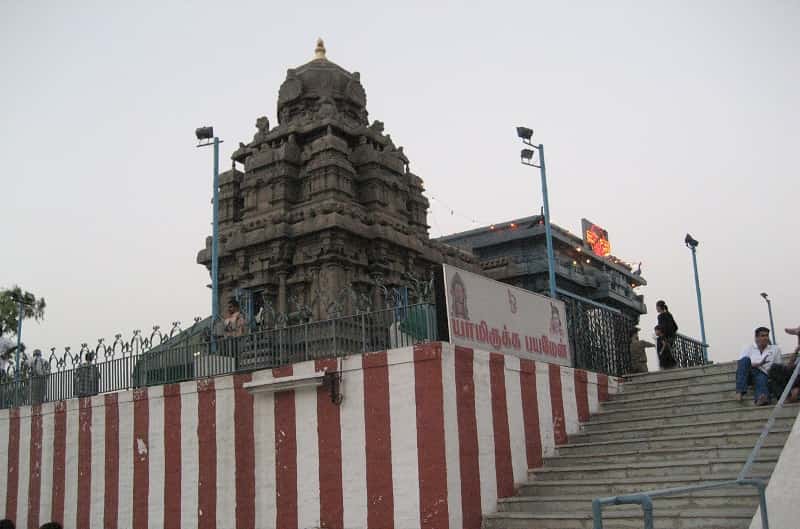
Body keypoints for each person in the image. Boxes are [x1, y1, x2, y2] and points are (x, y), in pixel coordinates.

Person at [736, 327, 782, 405]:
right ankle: (740, 391)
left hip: (764, 375)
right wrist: (759, 364)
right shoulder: (748, 347)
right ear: (756, 338)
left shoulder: (775, 349)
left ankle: (761, 398)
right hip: (748, 375)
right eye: (762, 336)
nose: (765, 338)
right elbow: (741, 365)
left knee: (761, 376)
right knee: (745, 360)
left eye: (767, 336)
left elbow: (778, 366)